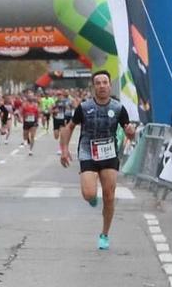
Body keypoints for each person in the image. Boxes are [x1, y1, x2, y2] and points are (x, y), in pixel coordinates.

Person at [59, 70, 137, 250]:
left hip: (109, 153)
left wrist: (131, 133)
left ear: (110, 85)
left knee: (109, 197)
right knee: (89, 193)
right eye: (98, 83)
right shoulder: (84, 107)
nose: (101, 86)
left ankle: (104, 234)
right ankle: (92, 197)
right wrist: (64, 150)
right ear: (93, 86)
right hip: (88, 151)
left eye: (105, 82)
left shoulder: (118, 108)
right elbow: (69, 128)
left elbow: (129, 132)